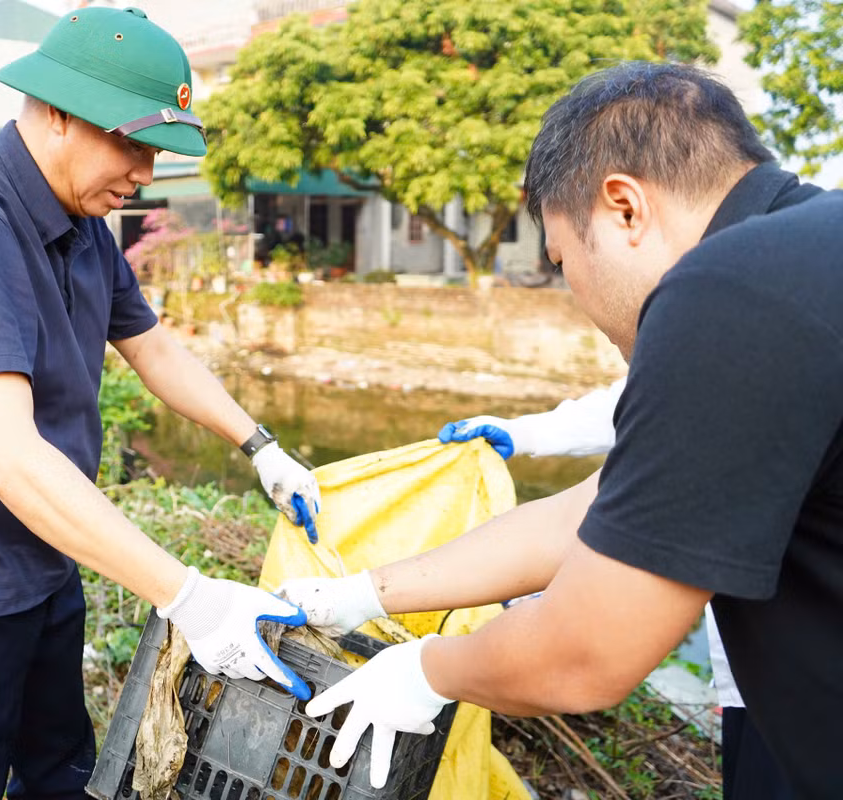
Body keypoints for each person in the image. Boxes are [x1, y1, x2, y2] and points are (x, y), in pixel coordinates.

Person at [279, 62, 840, 797]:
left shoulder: (729, 294)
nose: (573, 292)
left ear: (624, 208)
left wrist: (426, 672)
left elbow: (587, 654)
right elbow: (595, 513)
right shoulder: (804, 258)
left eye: (561, 258)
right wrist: (365, 594)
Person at [0, 8, 322, 799]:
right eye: (132, 142)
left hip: (47, 552)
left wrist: (261, 446)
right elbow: (7, 456)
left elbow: (150, 347)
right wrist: (189, 597)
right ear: (57, 114)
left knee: (59, 768)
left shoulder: (84, 223)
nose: (145, 172)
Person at [438, 383, 788, 799]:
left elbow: (590, 671)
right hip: (759, 671)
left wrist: (429, 670)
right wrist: (532, 432)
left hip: (797, 677)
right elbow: (660, 392)